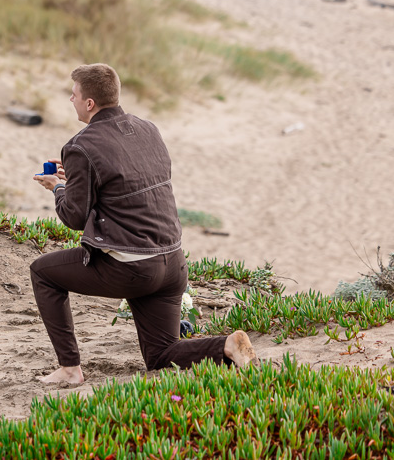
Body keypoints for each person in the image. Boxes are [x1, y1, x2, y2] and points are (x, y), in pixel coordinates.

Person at [31, 63, 257, 386]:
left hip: (132, 268)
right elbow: (129, 185)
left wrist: (58, 188)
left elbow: (74, 217)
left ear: (90, 103)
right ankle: (227, 345)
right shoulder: (149, 129)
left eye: (74, 94)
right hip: (173, 264)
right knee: (161, 354)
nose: (71, 99)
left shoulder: (79, 146)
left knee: (42, 272)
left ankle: (70, 369)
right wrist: (81, 180)